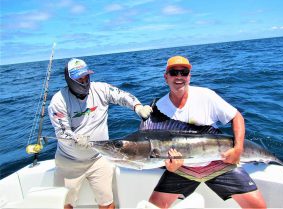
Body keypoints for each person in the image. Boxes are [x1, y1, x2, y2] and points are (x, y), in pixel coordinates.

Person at [148, 56, 267, 209]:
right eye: (173, 72)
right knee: (153, 207)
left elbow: (236, 117)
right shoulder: (158, 107)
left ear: (189, 77)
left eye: (183, 72)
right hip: (181, 168)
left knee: (258, 207)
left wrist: (237, 149)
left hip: (218, 163)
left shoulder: (206, 95)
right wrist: (167, 166)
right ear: (166, 77)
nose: (179, 76)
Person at [48, 58, 152, 209]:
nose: (84, 82)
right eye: (79, 79)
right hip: (69, 163)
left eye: (86, 77)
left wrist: (137, 107)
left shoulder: (101, 89)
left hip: (99, 158)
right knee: (64, 205)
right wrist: (75, 139)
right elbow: (62, 133)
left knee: (108, 204)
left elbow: (122, 95)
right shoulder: (58, 101)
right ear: (69, 80)